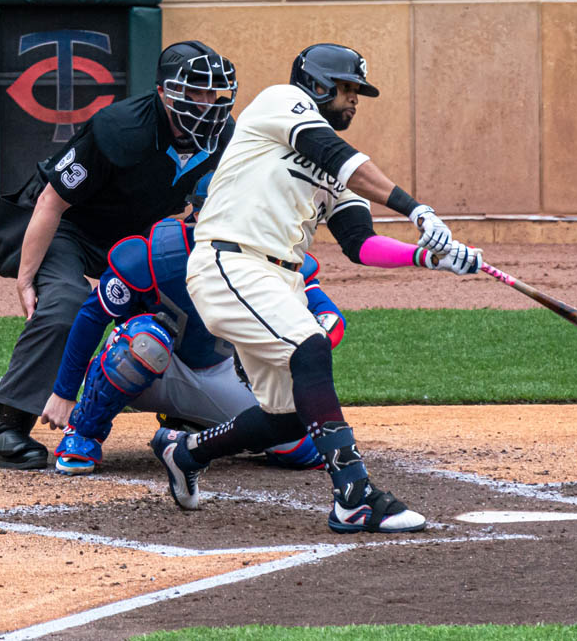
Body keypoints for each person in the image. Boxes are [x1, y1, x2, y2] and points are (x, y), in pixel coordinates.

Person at [149, 43, 483, 534]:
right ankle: (354, 494)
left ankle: (186, 452)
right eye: (348, 89)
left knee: (285, 418)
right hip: (229, 262)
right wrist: (416, 209)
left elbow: (360, 244)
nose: (354, 100)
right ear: (321, 84)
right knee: (310, 346)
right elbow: (334, 152)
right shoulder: (280, 102)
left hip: (280, 280)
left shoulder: (336, 172)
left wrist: (430, 257)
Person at [0, 41, 238, 470]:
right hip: (68, 226)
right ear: (163, 92)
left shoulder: (226, 136)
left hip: (133, 236)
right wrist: (26, 279)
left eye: (213, 94)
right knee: (65, 304)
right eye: (194, 93)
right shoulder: (119, 127)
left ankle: (188, 410)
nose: (207, 104)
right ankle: (6, 423)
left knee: (197, 290)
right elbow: (51, 202)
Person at [38, 208, 343, 474]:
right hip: (151, 370)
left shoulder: (270, 255)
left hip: (222, 371)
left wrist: (308, 341)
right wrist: (64, 392)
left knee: (302, 450)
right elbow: (93, 316)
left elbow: (330, 317)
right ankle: (84, 432)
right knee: (146, 341)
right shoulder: (155, 255)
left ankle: (194, 427)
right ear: (198, 215)